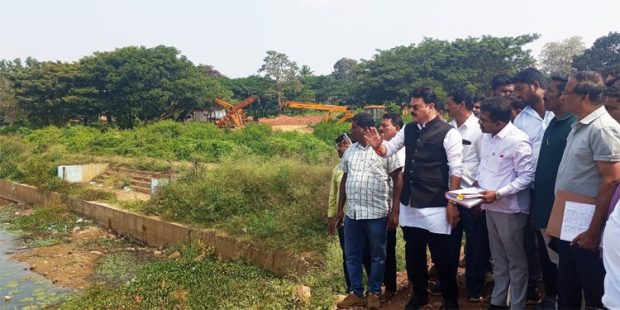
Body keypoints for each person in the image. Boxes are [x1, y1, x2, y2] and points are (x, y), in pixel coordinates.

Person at [365, 86, 463, 310]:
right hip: (410, 201)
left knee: (442, 254)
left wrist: (452, 202)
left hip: (436, 202)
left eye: (415, 107)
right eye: (410, 106)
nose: (411, 110)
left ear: (431, 107)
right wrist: (378, 146)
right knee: (414, 251)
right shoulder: (409, 129)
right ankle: (420, 293)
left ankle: (450, 297)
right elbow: (389, 150)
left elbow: (456, 170)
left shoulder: (449, 133)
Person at [554, 71, 620, 309]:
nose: (562, 97)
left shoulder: (602, 129)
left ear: (583, 97)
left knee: (592, 293)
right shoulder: (580, 125)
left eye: (567, 92)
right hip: (570, 224)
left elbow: (611, 181)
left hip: (587, 228)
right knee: (567, 288)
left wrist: (593, 232)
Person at [335, 112, 403, 310]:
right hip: (353, 214)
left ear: (365, 129)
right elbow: (345, 180)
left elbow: (398, 179)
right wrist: (340, 209)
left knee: (378, 255)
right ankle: (356, 293)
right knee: (352, 255)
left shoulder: (385, 150)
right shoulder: (350, 151)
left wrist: (395, 210)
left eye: (354, 126)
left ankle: (374, 292)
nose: (350, 130)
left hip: (377, 214)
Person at [477, 96, 535, 309]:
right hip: (490, 206)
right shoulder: (486, 136)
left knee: (516, 261)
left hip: (511, 210)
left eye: (483, 119)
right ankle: (498, 301)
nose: (479, 122)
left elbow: (526, 177)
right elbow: (485, 167)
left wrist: (499, 193)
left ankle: (517, 304)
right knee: (499, 259)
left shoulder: (518, 140)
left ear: (499, 123)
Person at [531, 75, 576, 307]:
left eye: (550, 90)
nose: (544, 94)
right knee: (550, 258)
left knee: (564, 261)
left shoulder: (574, 125)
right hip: (544, 206)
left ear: (563, 96)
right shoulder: (552, 122)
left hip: (562, 209)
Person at [512, 67, 555, 304]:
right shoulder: (520, 119)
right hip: (533, 189)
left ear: (536, 85)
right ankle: (548, 291)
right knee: (539, 240)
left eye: (520, 89)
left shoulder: (559, 112)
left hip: (559, 188)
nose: (517, 94)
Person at [446, 88, 489, 303]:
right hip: (452, 196)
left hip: (471, 196)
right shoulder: (448, 128)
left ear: (462, 104)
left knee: (475, 243)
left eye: (450, 103)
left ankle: (474, 287)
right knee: (450, 241)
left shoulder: (479, 129)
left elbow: (486, 162)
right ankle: (448, 285)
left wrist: (480, 196)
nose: (447, 107)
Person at [327, 133, 371, 294]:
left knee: (366, 253)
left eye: (342, 146)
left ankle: (373, 288)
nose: (338, 150)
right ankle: (352, 288)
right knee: (348, 255)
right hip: (344, 219)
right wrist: (331, 216)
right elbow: (333, 195)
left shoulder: (362, 163)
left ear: (349, 145)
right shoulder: (337, 170)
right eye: (338, 147)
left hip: (363, 216)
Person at [378, 112, 405, 301]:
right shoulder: (383, 149)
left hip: (406, 203)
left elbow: (399, 180)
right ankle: (387, 286)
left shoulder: (403, 150)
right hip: (388, 205)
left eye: (385, 126)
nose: (381, 129)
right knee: (385, 245)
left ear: (397, 128)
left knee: (413, 243)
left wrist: (396, 209)